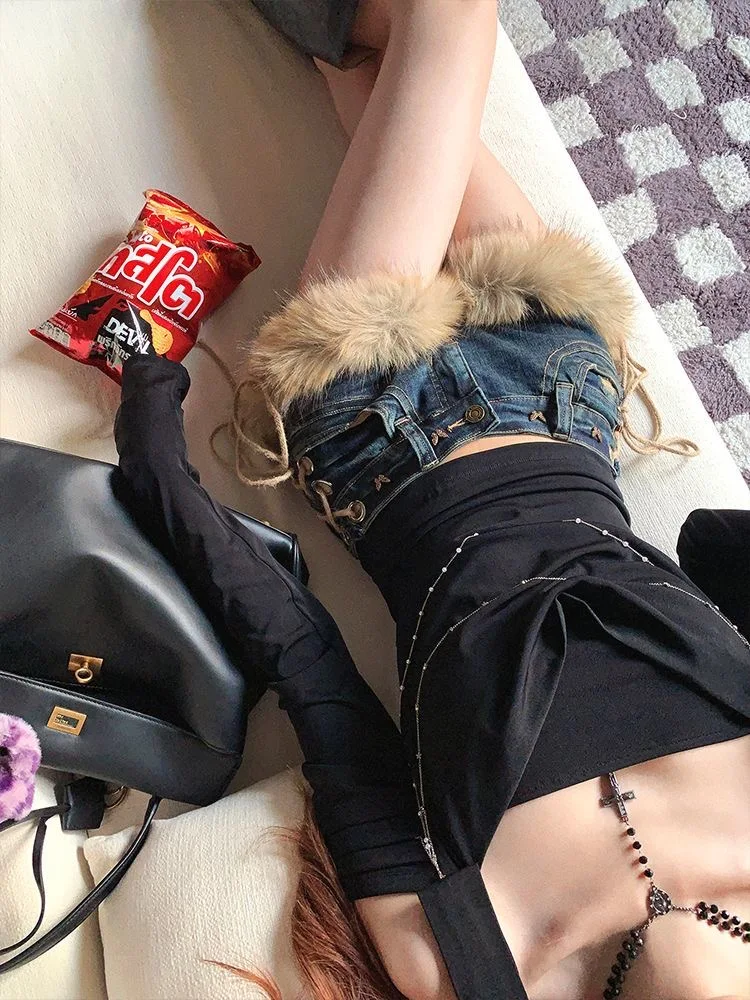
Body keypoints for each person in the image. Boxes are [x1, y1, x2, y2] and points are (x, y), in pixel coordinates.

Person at [116, 2, 750, 998]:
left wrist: (159, 473)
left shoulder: (461, 968)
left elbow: (314, 675)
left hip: (373, 418)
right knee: (371, 55)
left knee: (444, 24)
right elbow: (714, 544)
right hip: (562, 388)